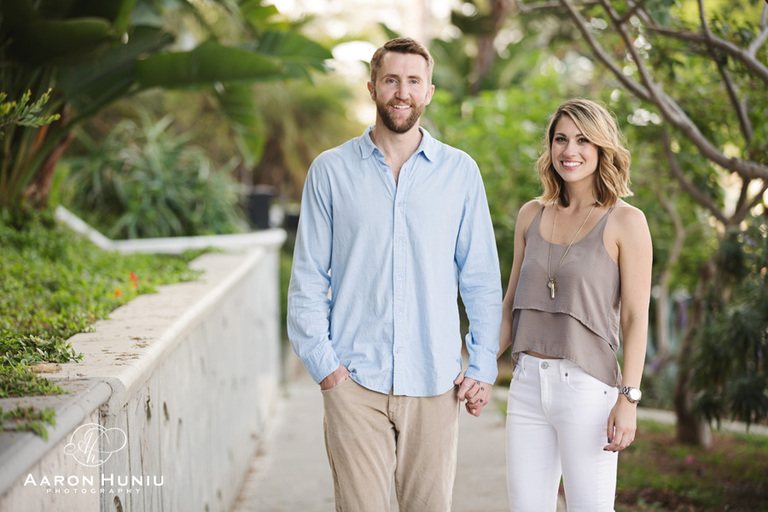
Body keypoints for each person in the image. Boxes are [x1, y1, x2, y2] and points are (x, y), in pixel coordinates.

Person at [286, 37, 502, 512]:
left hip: (435, 383)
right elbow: (306, 280)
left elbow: (482, 280)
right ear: (372, 87)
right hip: (354, 385)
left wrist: (483, 365)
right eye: (391, 80)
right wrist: (328, 371)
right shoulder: (330, 171)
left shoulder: (460, 173)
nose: (401, 92)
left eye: (413, 81)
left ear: (428, 92)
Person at [498, 98, 653, 511]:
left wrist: (629, 398)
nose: (570, 151)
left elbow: (637, 319)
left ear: (603, 148)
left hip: (587, 389)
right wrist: (474, 368)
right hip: (527, 384)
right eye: (561, 139)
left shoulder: (627, 221)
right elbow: (511, 305)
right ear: (549, 148)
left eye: (584, 140)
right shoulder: (531, 215)